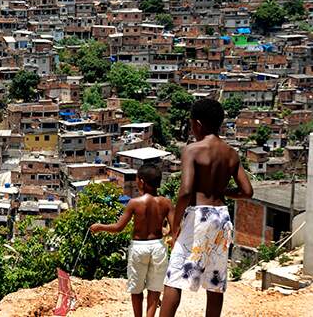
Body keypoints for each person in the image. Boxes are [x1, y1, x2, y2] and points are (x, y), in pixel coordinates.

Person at [160, 98, 254, 317]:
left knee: (174, 278)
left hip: (199, 215)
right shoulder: (231, 153)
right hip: (222, 218)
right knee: (215, 281)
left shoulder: (192, 150)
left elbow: (185, 191)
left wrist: (175, 225)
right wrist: (223, 192)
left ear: (198, 124)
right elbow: (247, 191)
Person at [90, 164, 173, 317]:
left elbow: (118, 227)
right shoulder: (166, 203)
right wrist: (167, 232)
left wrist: (99, 227)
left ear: (141, 182)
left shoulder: (134, 203)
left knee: (136, 289)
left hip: (139, 248)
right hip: (158, 246)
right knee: (154, 289)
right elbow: (174, 228)